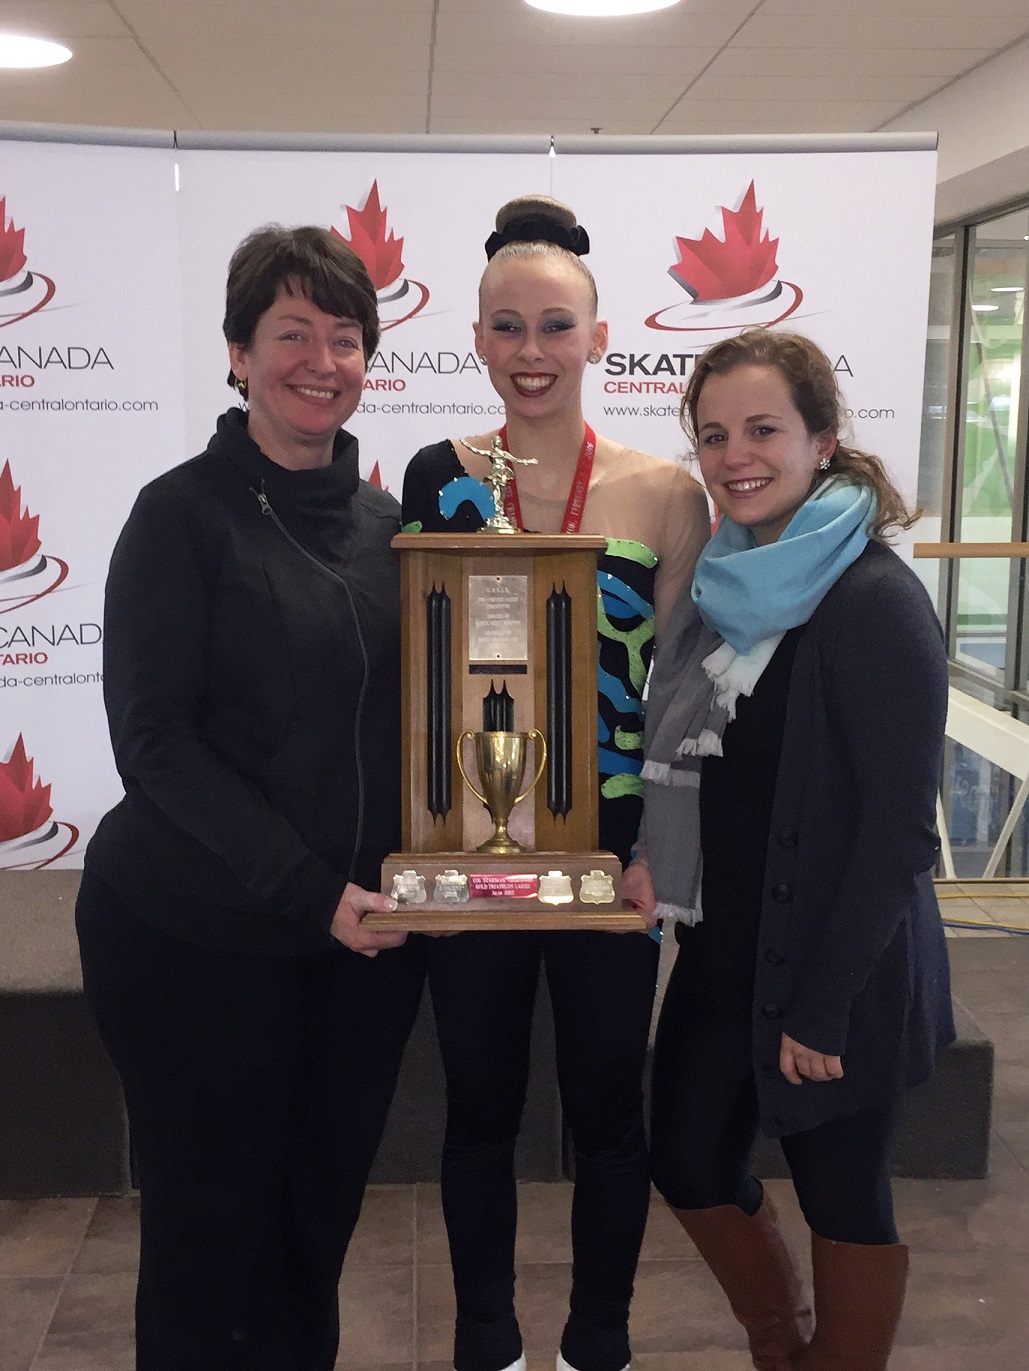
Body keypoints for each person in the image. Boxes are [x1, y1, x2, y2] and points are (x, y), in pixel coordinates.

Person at [75, 226, 426, 1371]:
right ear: (237, 354)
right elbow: (155, 747)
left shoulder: (392, 533)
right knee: (205, 1242)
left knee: (312, 1228)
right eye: (290, 334)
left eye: (344, 337)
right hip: (193, 939)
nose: (320, 360)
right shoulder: (179, 516)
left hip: (353, 948)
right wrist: (308, 890)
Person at [401, 196, 710, 1371]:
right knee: (477, 1108)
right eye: (509, 328)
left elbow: (682, 695)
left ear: (599, 338)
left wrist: (657, 860)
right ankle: (489, 1336)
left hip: (608, 856)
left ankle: (599, 1339)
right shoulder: (436, 476)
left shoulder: (665, 493)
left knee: (606, 1113)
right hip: (470, 849)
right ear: (477, 340)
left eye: (556, 327)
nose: (533, 352)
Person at [640, 328, 954, 1371]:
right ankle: (781, 1344)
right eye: (715, 434)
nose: (737, 456)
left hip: (839, 965)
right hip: (728, 946)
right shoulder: (728, 585)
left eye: (765, 429)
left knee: (842, 1197)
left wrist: (822, 1005)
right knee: (685, 1160)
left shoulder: (873, 601)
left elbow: (900, 829)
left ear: (823, 439)